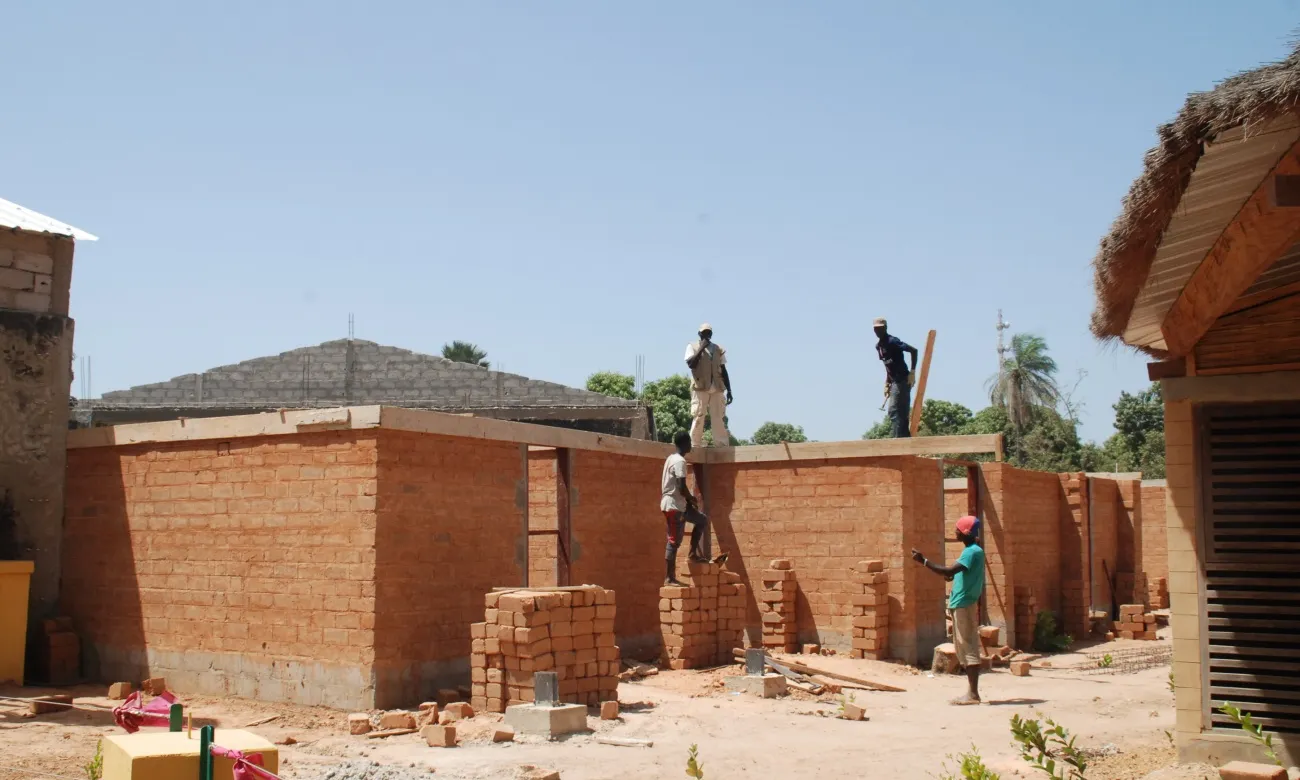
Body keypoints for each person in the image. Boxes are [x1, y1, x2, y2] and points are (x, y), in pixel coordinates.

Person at [911, 515, 986, 705]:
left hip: (964, 604)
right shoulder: (972, 550)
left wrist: (924, 561)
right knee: (963, 646)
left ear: (966, 532)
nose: (955, 533)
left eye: (957, 530)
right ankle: (971, 693)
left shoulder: (971, 552)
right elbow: (957, 574)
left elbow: (949, 571)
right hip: (961, 602)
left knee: (968, 647)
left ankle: (973, 695)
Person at [660, 431, 711, 585]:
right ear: (685, 444)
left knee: (701, 520)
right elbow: (681, 487)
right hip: (674, 506)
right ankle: (669, 578)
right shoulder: (680, 461)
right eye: (689, 442)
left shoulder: (671, 458)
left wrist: (689, 502)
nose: (691, 445)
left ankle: (692, 554)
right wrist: (691, 498)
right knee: (674, 541)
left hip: (679, 504)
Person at [684, 323, 732, 447]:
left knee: (718, 417)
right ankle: (694, 444)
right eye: (704, 332)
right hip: (700, 386)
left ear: (711, 334)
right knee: (699, 415)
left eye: (708, 332)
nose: (706, 334)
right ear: (699, 334)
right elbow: (691, 364)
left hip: (717, 387)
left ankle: (721, 445)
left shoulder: (718, 349)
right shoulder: (692, 346)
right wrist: (701, 348)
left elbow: (723, 369)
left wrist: (730, 390)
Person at [873, 317, 918, 438]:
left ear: (885, 328)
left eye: (880, 328)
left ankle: (899, 440)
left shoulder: (893, 341)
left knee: (894, 411)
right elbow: (888, 365)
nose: (878, 331)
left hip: (903, 379)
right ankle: (904, 439)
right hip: (894, 381)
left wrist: (912, 372)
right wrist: (887, 382)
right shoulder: (879, 347)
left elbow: (914, 351)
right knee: (901, 412)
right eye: (876, 329)